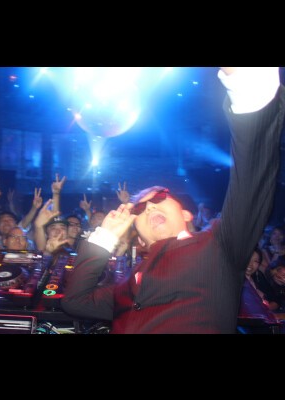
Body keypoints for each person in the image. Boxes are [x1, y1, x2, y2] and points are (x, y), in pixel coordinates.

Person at [61, 67, 285, 334]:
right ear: (139, 239)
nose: (150, 206)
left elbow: (253, 171)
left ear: (187, 214)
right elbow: (75, 301)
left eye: (159, 197)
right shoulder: (126, 286)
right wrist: (105, 236)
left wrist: (245, 80)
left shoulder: (219, 245)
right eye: (140, 208)